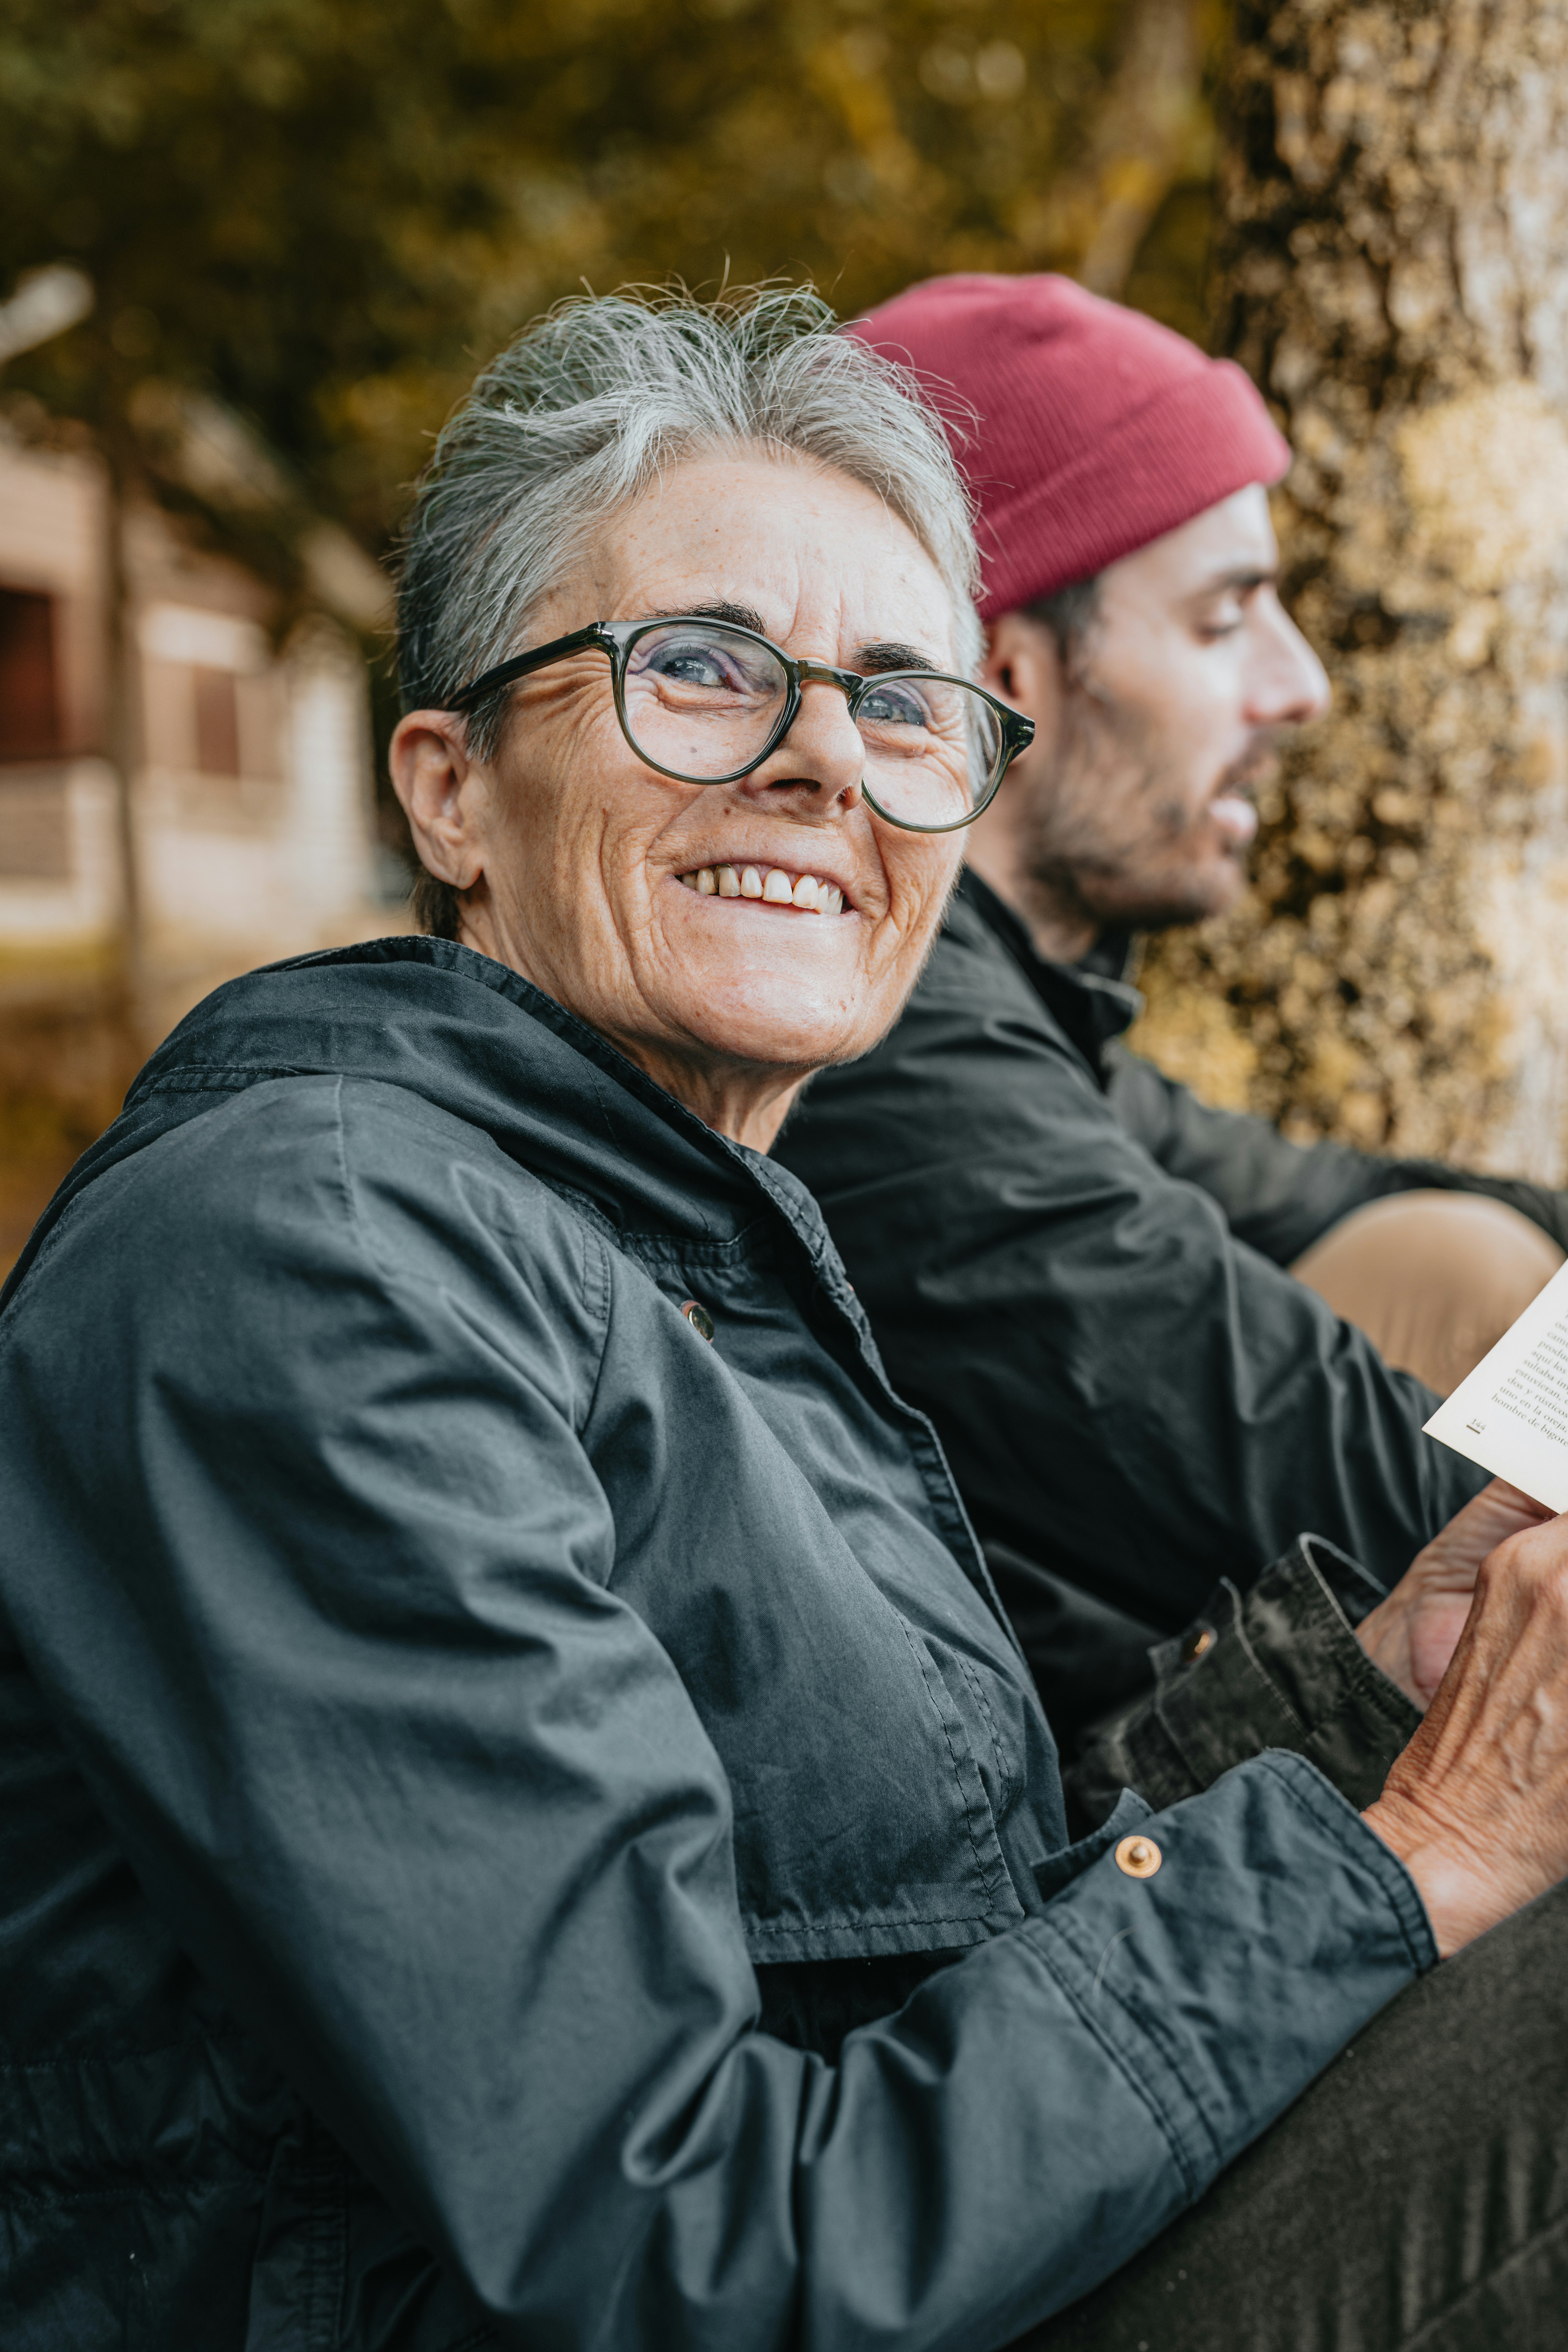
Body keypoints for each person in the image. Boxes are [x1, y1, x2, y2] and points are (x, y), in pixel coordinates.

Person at [4, 285, 1568, 2352]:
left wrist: (1375, 1696)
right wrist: (1421, 1850)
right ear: (452, 793)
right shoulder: (312, 1265)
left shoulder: (678, 1228)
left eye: (902, 701)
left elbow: (943, 1939)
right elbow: (656, 2245)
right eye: (706, 670)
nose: (826, 754)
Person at [777, 272, 1568, 1730]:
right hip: (1056, 1884)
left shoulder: (998, 1004)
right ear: (1000, 671)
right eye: (1223, 621)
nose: (1301, 687)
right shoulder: (878, 1048)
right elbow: (1395, 1500)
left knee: (1446, 1248)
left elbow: (1328, 1188)